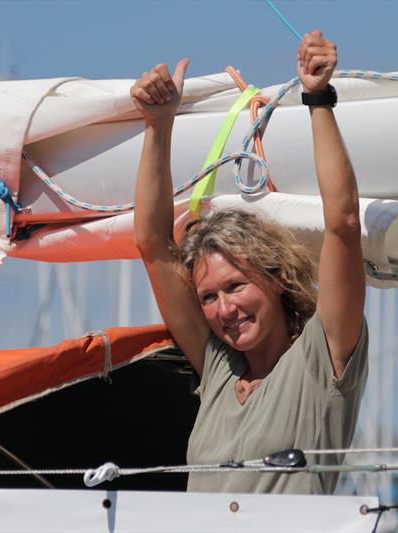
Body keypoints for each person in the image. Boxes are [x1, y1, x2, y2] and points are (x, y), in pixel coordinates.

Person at [131, 30, 367, 495]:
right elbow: (153, 244)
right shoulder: (219, 368)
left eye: (236, 286)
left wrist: (317, 98)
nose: (224, 309)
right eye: (208, 297)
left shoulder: (323, 359)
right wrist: (158, 124)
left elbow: (342, 222)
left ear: (277, 279)